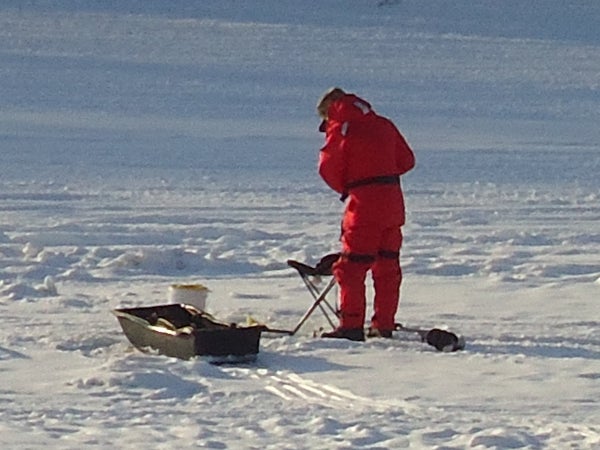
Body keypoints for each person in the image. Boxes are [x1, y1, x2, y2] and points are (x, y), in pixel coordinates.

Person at [316, 87, 415, 341]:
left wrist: (350, 185)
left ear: (329, 111)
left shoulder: (342, 127)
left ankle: (350, 326)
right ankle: (384, 324)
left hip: (363, 205)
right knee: (387, 266)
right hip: (393, 202)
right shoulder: (383, 124)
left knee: (351, 267)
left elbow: (328, 167)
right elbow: (406, 160)